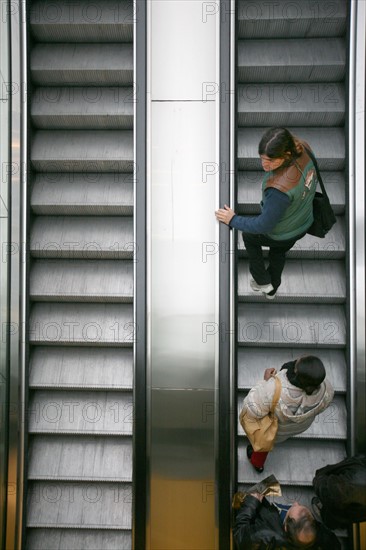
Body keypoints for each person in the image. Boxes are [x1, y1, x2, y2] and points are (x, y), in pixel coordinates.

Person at [215, 127, 317, 299]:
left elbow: (263, 225)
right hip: (303, 221)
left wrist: (233, 219)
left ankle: (262, 281)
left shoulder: (279, 191)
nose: (264, 164)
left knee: (249, 235)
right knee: (278, 252)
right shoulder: (303, 148)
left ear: (285, 154)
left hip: (282, 231)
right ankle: (273, 288)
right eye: (262, 158)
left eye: (270, 160)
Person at [240, 356, 334, 473]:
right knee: (274, 440)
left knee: (263, 444)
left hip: (275, 429)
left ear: (296, 372)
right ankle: (258, 463)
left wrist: (266, 382)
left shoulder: (272, 389)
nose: (298, 358)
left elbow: (252, 409)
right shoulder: (327, 390)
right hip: (298, 427)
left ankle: (257, 463)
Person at [233, 492, 341, 549]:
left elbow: (240, 535)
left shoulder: (263, 535)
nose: (295, 503)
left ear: (285, 527)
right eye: (299, 505)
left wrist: (252, 503)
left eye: (293, 507)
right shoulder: (322, 538)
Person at [312, 455, 366, 529]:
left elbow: (326, 488)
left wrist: (318, 479)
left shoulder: (353, 487)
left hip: (350, 491)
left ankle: (329, 519)